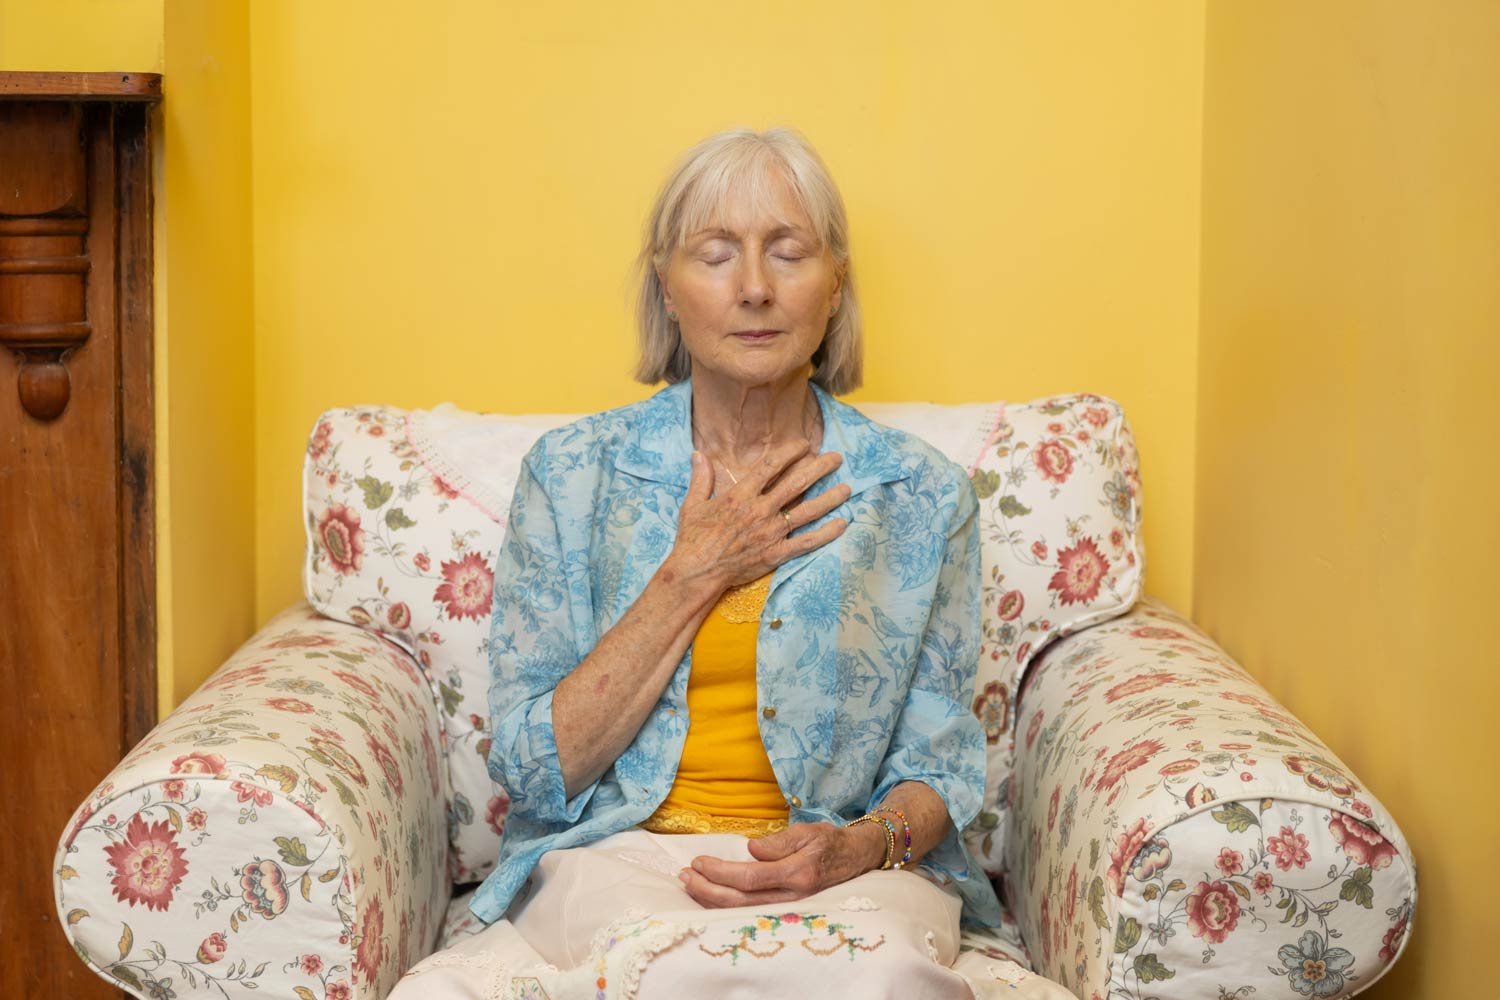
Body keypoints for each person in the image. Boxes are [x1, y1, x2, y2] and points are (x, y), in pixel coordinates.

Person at [391, 127, 1064, 1000]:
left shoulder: (920, 495)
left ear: (835, 286)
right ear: (666, 287)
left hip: (837, 869)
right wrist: (695, 570)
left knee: (886, 975)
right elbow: (530, 768)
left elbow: (937, 769)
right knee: (652, 967)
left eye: (788, 253)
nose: (754, 288)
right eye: (716, 255)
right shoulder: (572, 475)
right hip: (619, 859)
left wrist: (855, 847)